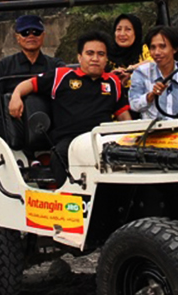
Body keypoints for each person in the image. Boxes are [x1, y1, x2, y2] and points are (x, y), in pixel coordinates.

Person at [9, 29, 131, 183]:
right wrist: (16, 96)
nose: (95, 58)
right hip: (70, 141)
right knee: (60, 155)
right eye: (90, 53)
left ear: (106, 59)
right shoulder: (61, 76)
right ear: (80, 57)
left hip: (102, 139)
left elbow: (124, 118)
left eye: (101, 54)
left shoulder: (113, 82)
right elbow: (30, 84)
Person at [0, 14, 60, 98]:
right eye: (25, 33)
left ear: (43, 35)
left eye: (36, 32)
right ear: (17, 37)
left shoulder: (56, 66)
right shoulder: (4, 66)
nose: (31, 36)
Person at [107, 13, 150, 86]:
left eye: (128, 29)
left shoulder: (144, 49)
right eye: (119, 29)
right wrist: (113, 76)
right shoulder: (107, 53)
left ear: (136, 32)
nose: (122, 34)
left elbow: (155, 62)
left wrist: (132, 69)